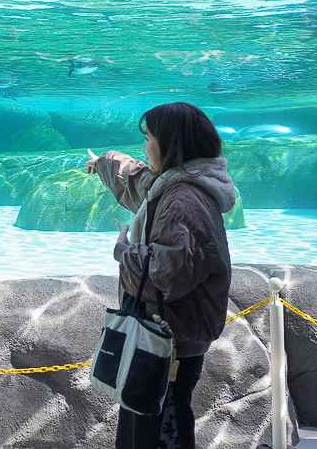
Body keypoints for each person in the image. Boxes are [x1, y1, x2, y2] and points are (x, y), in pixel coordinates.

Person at [85, 102, 236, 449]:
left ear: (171, 144)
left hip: (169, 340)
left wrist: (124, 252)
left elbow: (166, 275)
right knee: (142, 424)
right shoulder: (177, 183)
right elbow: (138, 182)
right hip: (162, 335)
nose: (143, 146)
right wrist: (103, 163)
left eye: (148, 137)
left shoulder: (183, 201)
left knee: (159, 433)